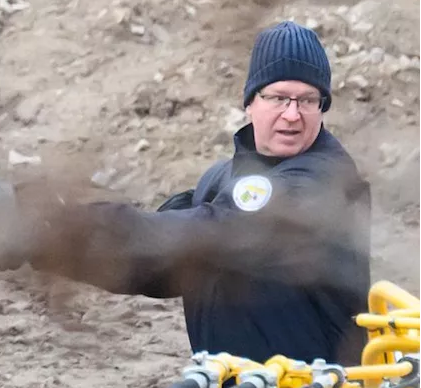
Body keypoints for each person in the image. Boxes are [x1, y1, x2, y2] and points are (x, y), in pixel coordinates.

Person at [22, 20, 371, 367]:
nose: (292, 115)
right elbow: (159, 258)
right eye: (279, 98)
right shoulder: (221, 181)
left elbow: (210, 234)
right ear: (251, 102)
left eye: (308, 100)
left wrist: (71, 225)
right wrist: (55, 243)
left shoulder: (322, 181)